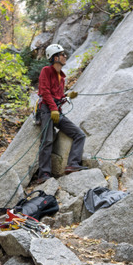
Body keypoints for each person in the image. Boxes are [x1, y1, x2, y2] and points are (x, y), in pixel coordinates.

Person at [35, 43, 87, 184]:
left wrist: (67, 96)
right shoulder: (46, 71)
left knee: (79, 134)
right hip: (46, 110)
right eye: (62, 54)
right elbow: (45, 92)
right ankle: (44, 173)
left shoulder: (61, 77)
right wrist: (52, 108)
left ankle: (73, 164)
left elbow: (57, 97)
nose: (65, 56)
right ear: (55, 57)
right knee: (47, 140)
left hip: (56, 111)